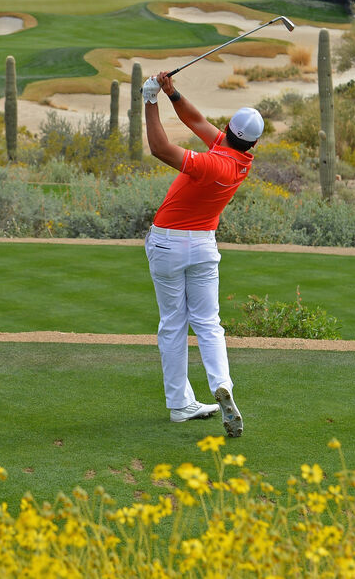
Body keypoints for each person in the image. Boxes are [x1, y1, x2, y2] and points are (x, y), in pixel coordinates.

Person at [140, 70, 265, 438]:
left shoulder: (213, 163)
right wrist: (171, 93)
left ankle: (180, 403)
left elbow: (161, 150)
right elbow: (195, 121)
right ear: (253, 142)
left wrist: (149, 102)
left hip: (168, 243)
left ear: (228, 129)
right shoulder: (240, 161)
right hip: (204, 247)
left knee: (173, 323)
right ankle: (222, 383)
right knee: (208, 322)